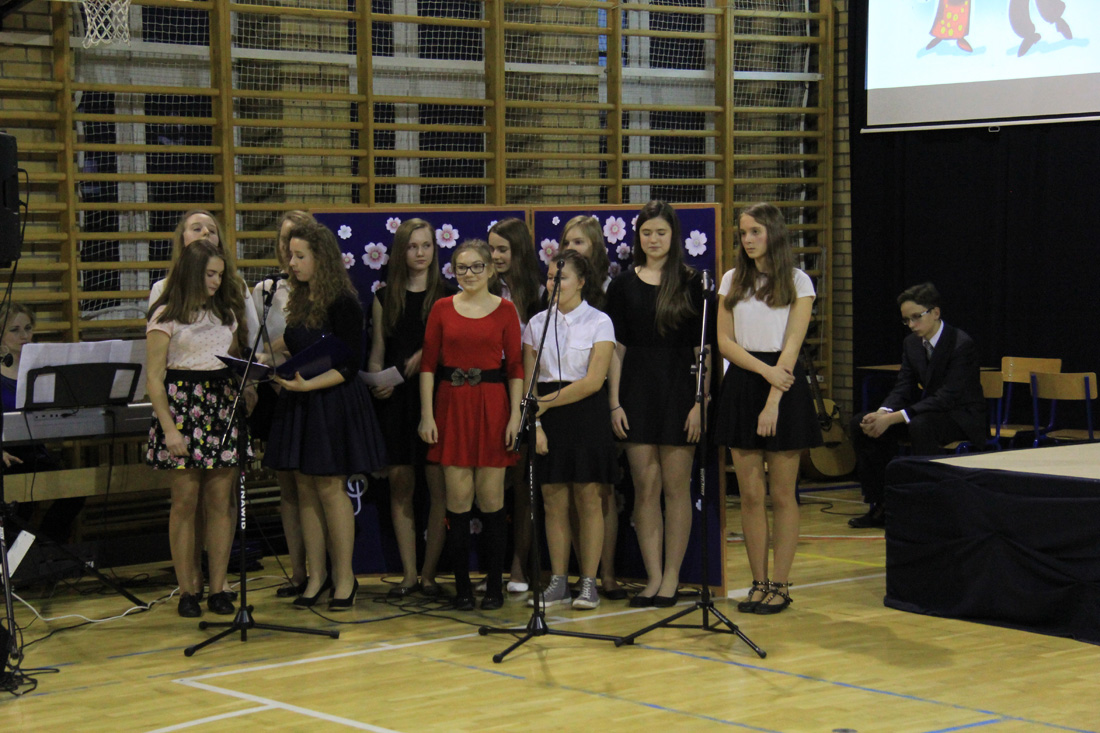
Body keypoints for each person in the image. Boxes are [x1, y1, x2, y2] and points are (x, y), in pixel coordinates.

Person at [263, 220, 385, 611]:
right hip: (300, 401)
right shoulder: (300, 299)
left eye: (300, 256)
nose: (292, 263)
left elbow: (349, 364)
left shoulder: (343, 301)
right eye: (291, 256)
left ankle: (344, 577)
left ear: (322, 258)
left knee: (330, 488)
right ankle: (316, 576)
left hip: (330, 400)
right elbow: (298, 343)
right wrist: (269, 362)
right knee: (304, 488)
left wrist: (306, 385)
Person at [714, 202, 821, 615]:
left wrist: (774, 398)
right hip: (745, 381)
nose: (748, 239)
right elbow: (725, 342)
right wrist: (763, 372)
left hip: (785, 384)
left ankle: (780, 584)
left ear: (773, 233)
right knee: (751, 495)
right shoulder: (732, 279)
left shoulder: (798, 281)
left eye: (755, 231)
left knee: (782, 494)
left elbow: (792, 344)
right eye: (743, 233)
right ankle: (757, 583)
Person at [605, 200, 710, 608]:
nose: (653, 240)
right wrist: (615, 402)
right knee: (644, 488)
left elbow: (704, 350)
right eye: (646, 233)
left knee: (676, 488)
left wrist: (700, 401)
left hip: (680, 392)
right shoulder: (622, 285)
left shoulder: (693, 282)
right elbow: (616, 349)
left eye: (660, 233)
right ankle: (651, 577)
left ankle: (671, 577)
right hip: (636, 392)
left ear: (674, 236)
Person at [149, 209, 253, 602]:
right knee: (184, 502)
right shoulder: (166, 312)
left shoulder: (224, 311)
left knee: (221, 502)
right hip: (182, 407)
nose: (216, 281)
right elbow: (154, 378)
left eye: (220, 275)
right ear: (193, 272)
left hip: (221, 405)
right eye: (210, 275)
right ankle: (187, 589)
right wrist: (169, 429)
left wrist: (248, 380)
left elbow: (233, 357)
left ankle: (218, 586)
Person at [419, 239, 523, 611]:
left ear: (490, 270)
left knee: (492, 501)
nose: (469, 273)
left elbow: (516, 367)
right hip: (451, 407)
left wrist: (515, 416)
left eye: (477, 266)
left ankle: (494, 587)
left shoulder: (506, 310)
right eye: (461, 267)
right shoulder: (441, 308)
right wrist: (427, 414)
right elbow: (428, 365)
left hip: (493, 407)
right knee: (458, 502)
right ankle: (462, 589)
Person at [524, 250, 618, 610]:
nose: (553, 283)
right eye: (550, 277)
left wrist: (547, 403)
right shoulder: (536, 324)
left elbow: (593, 381)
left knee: (589, 498)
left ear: (580, 281)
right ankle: (558, 581)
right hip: (547, 420)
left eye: (561, 277)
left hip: (586, 414)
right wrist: (537, 422)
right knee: (553, 501)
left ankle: (589, 582)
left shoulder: (599, 322)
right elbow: (530, 383)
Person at [848, 282, 986, 529]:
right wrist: (882, 412)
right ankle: (882, 503)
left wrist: (893, 418)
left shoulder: (961, 343)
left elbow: (947, 397)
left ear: (935, 312)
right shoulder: (911, 344)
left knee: (921, 426)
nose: (911, 325)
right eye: (906, 320)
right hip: (929, 412)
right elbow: (903, 386)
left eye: (916, 317)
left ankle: (929, 506)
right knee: (862, 424)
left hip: (960, 416)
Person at [368, 217, 455, 599]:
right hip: (397, 401)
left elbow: (459, 350)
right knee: (400, 484)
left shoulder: (449, 296)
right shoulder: (384, 297)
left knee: (438, 489)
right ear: (401, 251)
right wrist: (377, 380)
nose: (420, 253)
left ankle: (430, 573)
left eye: (426, 245)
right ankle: (408, 573)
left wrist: (430, 354)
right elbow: (377, 352)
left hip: (437, 400)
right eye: (413, 246)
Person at [559, 214, 624, 600]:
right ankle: (576, 574)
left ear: (596, 247)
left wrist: (614, 402)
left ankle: (607, 573)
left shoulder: (608, 291)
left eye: (579, 242)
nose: (572, 248)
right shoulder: (556, 291)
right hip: (564, 400)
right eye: (567, 242)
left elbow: (616, 353)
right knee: (568, 491)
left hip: (598, 398)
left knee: (600, 492)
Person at [250, 210, 312, 598]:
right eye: (286, 239)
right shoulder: (266, 290)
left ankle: (324, 570)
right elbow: (255, 346)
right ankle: (299, 571)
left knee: (314, 486)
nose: (291, 247)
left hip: (314, 394)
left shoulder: (321, 288)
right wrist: (270, 373)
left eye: (299, 238)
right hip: (277, 396)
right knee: (288, 488)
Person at [487, 218, 543, 593]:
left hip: (525, 392)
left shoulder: (538, 294)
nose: (495, 256)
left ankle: (519, 566)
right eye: (491, 248)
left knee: (524, 485)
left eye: (502, 249)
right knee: (491, 483)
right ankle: (490, 569)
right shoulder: (484, 289)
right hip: (489, 390)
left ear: (519, 251)